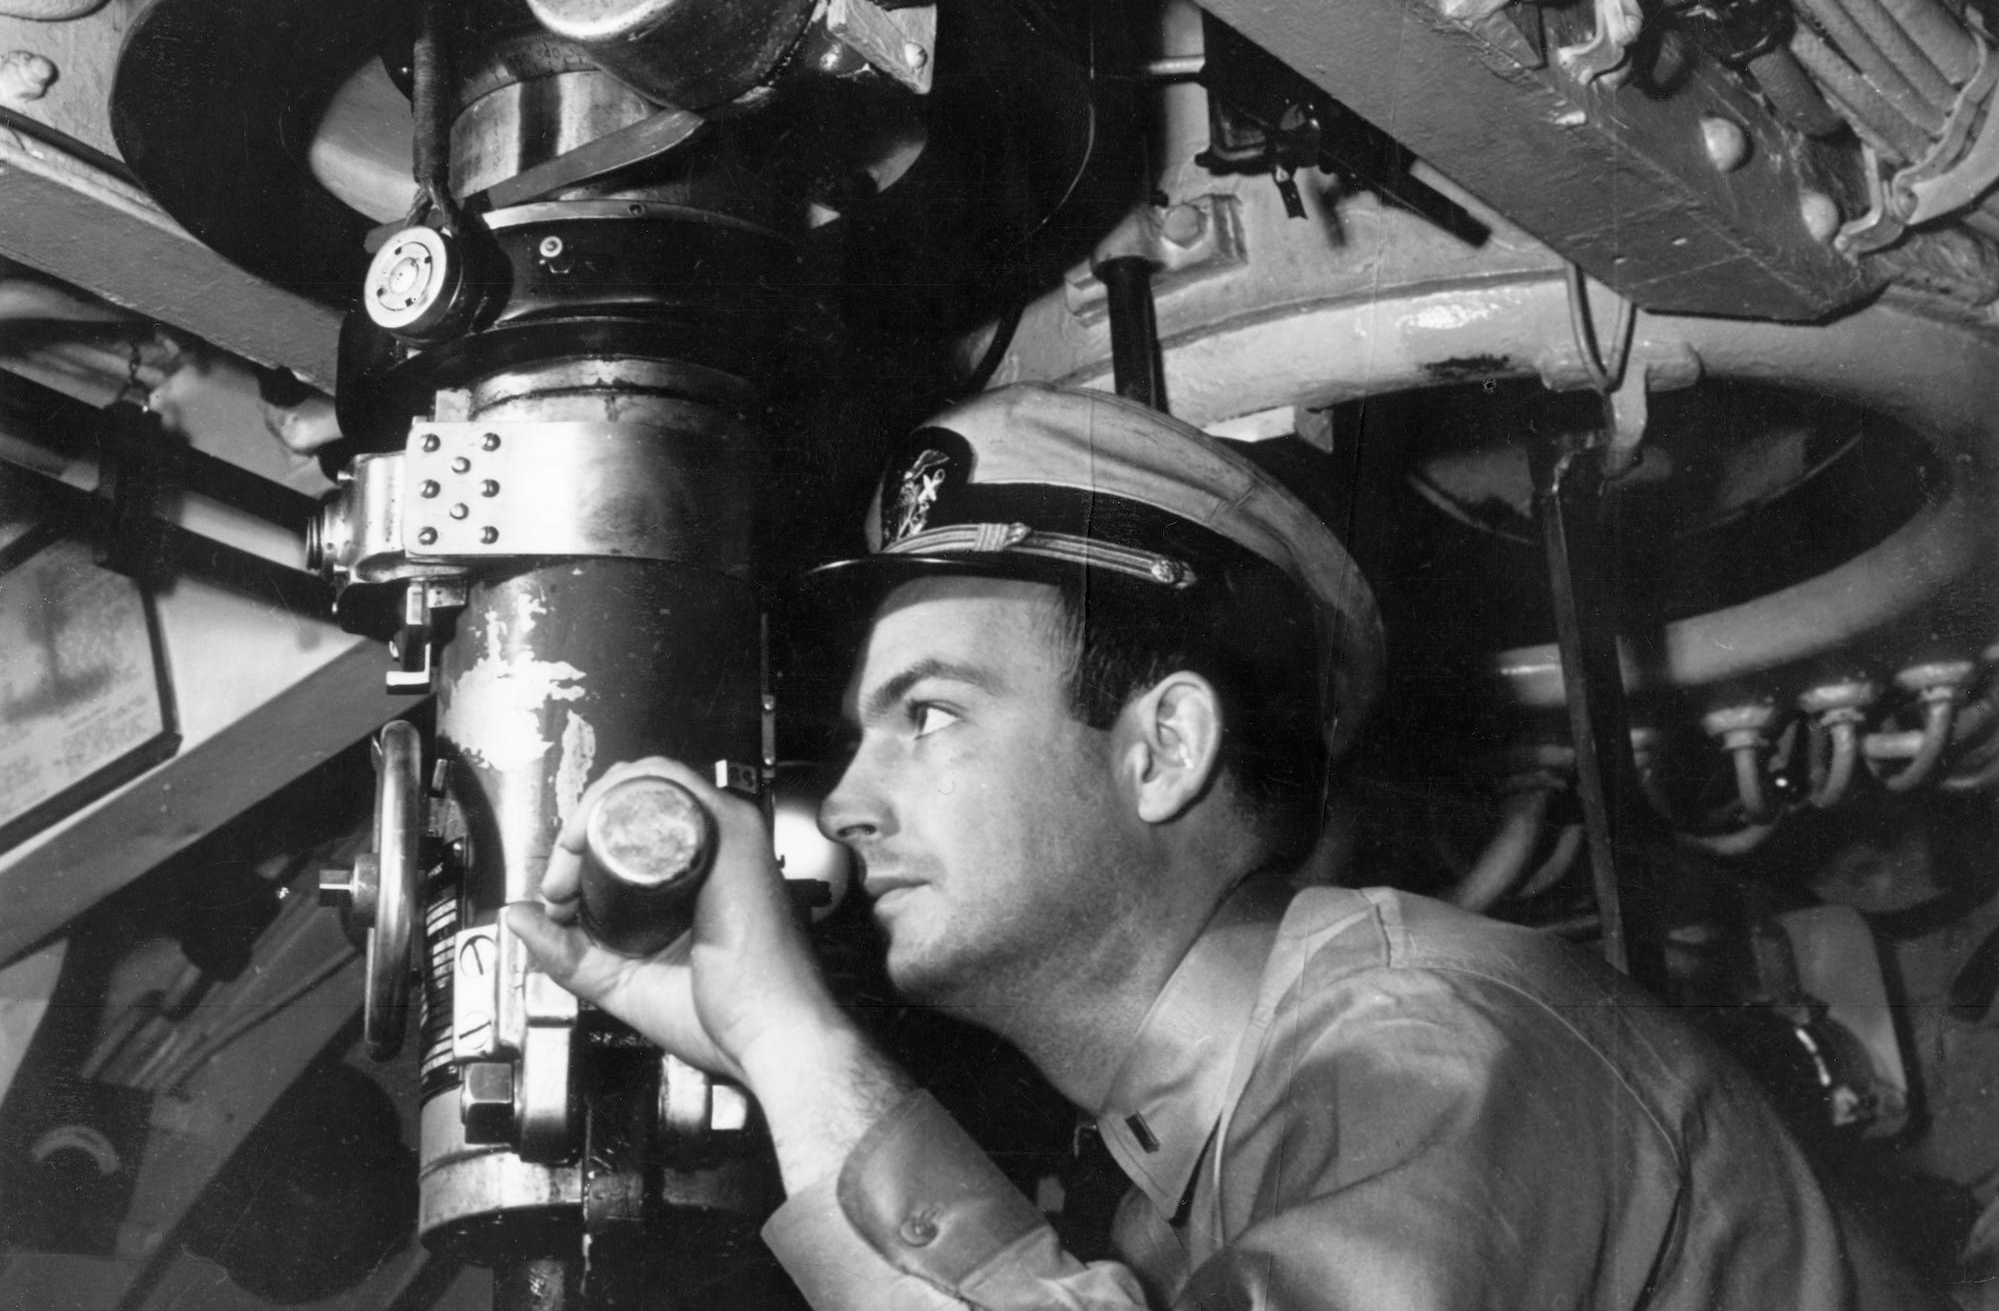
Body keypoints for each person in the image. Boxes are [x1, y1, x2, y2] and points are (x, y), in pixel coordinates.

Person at [509, 382, 1931, 1309]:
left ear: (1163, 748)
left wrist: (789, 1040)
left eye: (927, 717)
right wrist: (767, 1042)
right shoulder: (1190, 1202)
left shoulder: (1431, 1051)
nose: (857, 800)